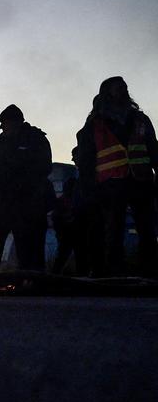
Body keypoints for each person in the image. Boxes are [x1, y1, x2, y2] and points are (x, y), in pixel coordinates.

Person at [75, 77, 157, 277]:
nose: (123, 90)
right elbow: (86, 158)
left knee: (147, 228)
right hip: (111, 183)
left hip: (141, 180)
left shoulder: (140, 119)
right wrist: (90, 187)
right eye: (118, 88)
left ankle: (150, 270)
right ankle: (115, 272)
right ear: (106, 93)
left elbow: (153, 148)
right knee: (114, 228)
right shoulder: (94, 124)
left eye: (124, 87)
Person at [0, 104, 52, 272]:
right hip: (5, 204)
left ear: (15, 122)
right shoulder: (2, 144)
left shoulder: (36, 139)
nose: (2, 127)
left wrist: (21, 183)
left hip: (28, 204)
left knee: (28, 244)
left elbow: (44, 168)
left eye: (4, 123)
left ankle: (30, 279)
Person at [51, 175, 91, 276]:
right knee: (67, 259)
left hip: (74, 236)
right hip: (69, 236)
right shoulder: (75, 201)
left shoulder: (76, 202)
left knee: (66, 259)